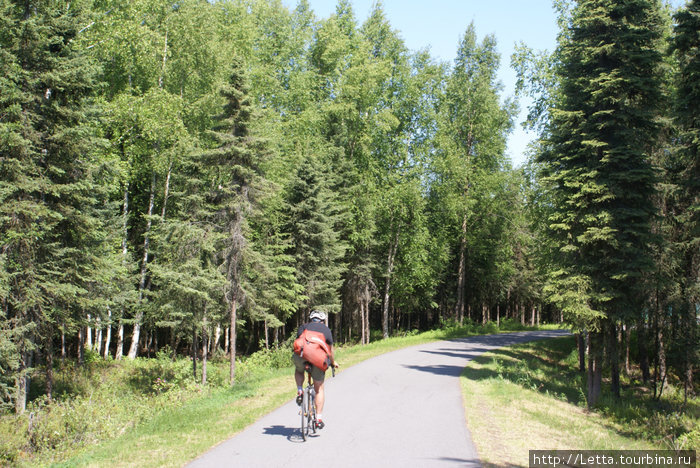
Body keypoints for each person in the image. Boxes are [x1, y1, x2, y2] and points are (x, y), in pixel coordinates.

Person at [292, 310, 338, 429]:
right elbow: (330, 351)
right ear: (322, 321)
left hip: (301, 357)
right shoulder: (326, 330)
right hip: (317, 360)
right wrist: (332, 363)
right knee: (319, 389)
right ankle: (318, 418)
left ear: (311, 319)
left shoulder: (303, 327)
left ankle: (300, 390)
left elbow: (298, 343)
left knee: (299, 370)